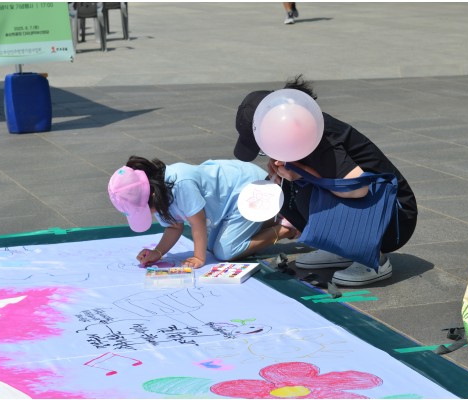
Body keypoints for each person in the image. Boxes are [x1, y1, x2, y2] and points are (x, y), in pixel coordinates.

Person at [233, 75, 418, 286]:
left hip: (393, 219)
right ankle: (341, 248)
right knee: (286, 189)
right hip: (380, 211)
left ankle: (374, 260)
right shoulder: (297, 129)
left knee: (302, 189)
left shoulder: (318, 137)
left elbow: (358, 188)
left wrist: (302, 174)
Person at [108, 156, 299, 269]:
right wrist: (158, 252)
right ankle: (271, 218)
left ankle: (287, 227)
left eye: (144, 210)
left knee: (225, 251)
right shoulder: (154, 190)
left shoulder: (181, 184)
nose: (150, 213)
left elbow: (198, 223)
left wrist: (199, 258)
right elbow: (174, 227)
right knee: (212, 247)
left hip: (251, 190)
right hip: (228, 204)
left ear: (152, 195)